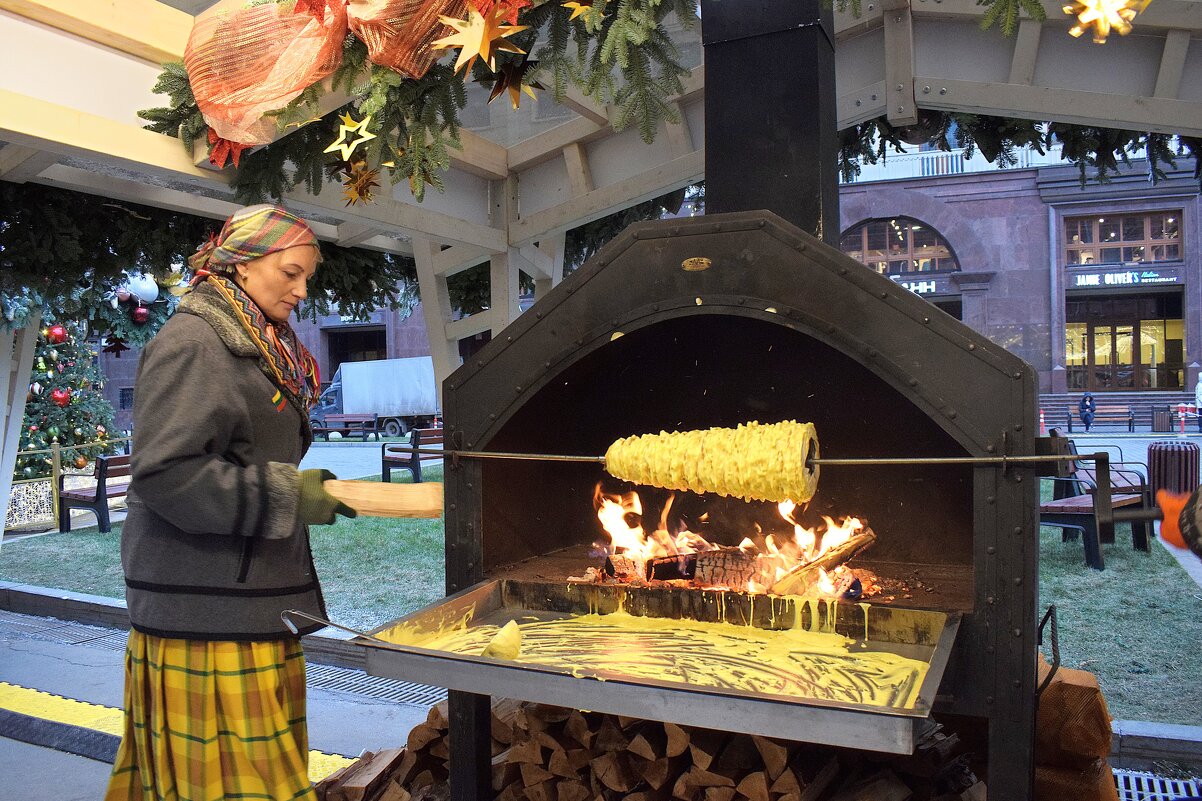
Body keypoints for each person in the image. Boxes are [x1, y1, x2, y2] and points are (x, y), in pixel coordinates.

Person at [105, 205, 357, 801]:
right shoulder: (195, 341)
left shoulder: (257, 342)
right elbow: (166, 474)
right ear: (243, 266)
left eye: (306, 278)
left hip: (243, 602)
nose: (301, 291)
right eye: (291, 273)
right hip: (206, 617)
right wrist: (290, 494)